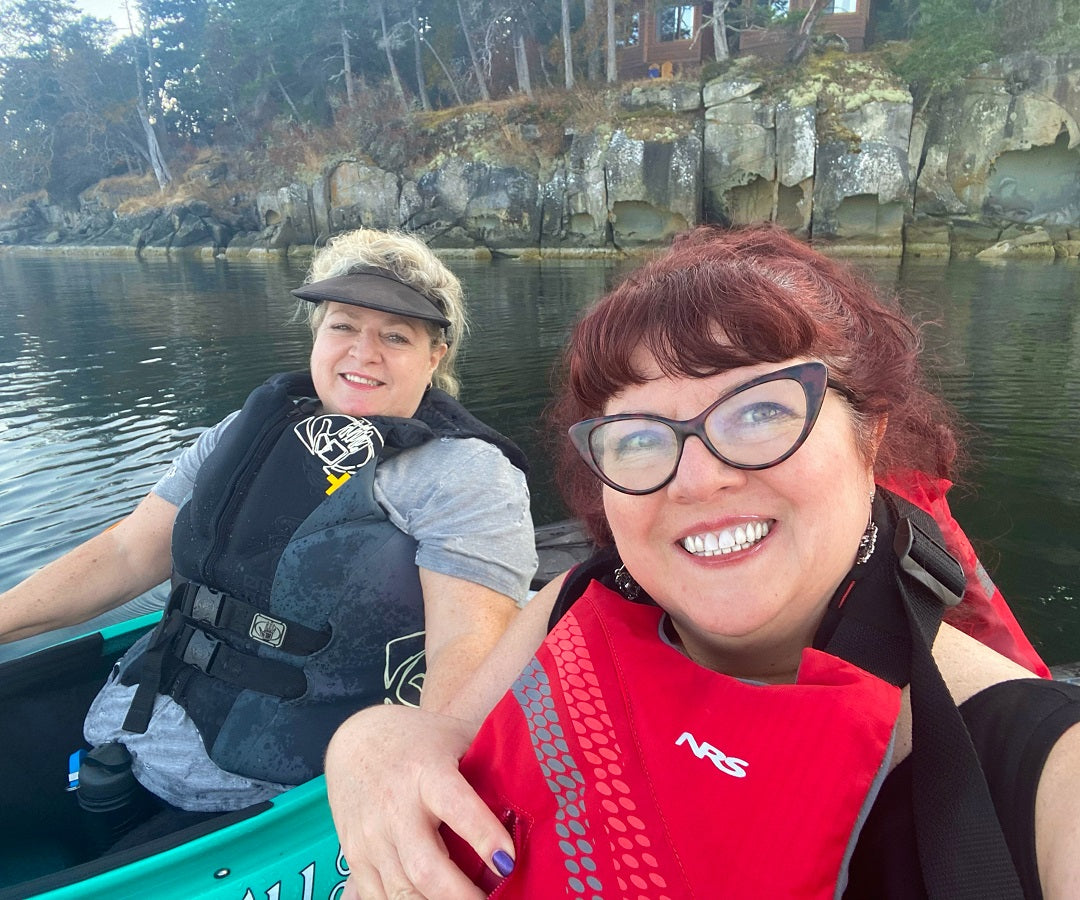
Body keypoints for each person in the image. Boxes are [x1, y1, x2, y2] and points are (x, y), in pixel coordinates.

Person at [324, 224, 1080, 900]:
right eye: (641, 437)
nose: (698, 477)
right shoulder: (573, 604)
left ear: (870, 436)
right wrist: (367, 745)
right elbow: (442, 739)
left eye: (761, 411)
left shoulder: (1036, 771)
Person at [0, 228, 536, 836]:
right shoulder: (244, 430)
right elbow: (126, 552)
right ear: (317, 332)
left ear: (435, 355)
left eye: (395, 335)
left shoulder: (463, 473)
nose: (363, 352)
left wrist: (422, 778)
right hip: (123, 728)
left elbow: (467, 649)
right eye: (343, 325)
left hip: (265, 793)